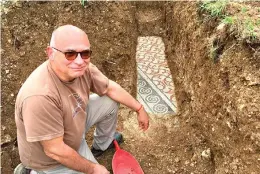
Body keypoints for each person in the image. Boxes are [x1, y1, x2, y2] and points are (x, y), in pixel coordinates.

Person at [14, 25, 149, 174]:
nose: (79, 61)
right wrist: (94, 169)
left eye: (85, 53)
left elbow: (109, 87)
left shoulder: (83, 68)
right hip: (52, 159)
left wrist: (139, 108)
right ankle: (32, 171)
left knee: (109, 102)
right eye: (70, 54)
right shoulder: (39, 96)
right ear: (50, 53)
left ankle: (102, 145)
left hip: (72, 123)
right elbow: (55, 150)